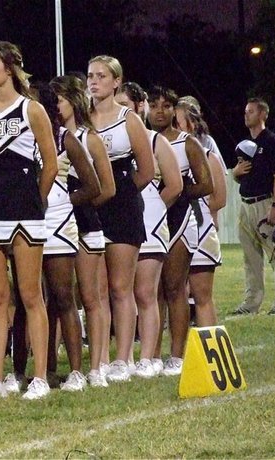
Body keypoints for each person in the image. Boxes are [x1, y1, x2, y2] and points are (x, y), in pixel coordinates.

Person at [0, 41, 58, 400]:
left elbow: (50, 163)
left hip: (24, 204)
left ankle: (38, 378)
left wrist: (35, 198)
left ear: (9, 68)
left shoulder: (31, 110)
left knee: (31, 293)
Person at [87, 55, 153, 383]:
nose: (94, 81)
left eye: (101, 76)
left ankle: (123, 358)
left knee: (120, 287)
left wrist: (123, 192)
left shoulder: (129, 119)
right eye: (90, 76)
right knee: (94, 289)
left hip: (123, 207)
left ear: (116, 82)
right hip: (91, 205)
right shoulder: (82, 119)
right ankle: (98, 358)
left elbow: (147, 169)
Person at [33, 82, 100, 392]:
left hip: (59, 224)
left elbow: (93, 186)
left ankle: (75, 371)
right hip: (28, 222)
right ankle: (41, 371)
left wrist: (62, 201)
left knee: (62, 297)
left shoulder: (66, 139)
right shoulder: (22, 139)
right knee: (31, 300)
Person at [52, 74, 115, 387]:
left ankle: (98, 365)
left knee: (92, 297)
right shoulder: (51, 136)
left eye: (60, 99)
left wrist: (72, 202)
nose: (56, 106)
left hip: (85, 224)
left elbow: (106, 188)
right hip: (58, 225)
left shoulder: (89, 138)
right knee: (63, 296)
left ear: (73, 100)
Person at [116, 82, 182, 378]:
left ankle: (149, 357)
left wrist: (152, 210)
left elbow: (175, 185)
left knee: (146, 291)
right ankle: (124, 357)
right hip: (121, 219)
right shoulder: (110, 140)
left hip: (149, 219)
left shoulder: (155, 140)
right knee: (121, 290)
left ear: (138, 107)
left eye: (125, 106)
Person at [147, 86, 213, 376]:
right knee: (153, 291)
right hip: (152, 218)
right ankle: (153, 355)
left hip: (181, 219)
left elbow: (207, 185)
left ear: (174, 110)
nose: (159, 111)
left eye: (165, 106)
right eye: (154, 105)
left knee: (174, 287)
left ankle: (177, 355)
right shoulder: (145, 140)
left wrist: (181, 191)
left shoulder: (187, 143)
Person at [176, 99, 227, 325]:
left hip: (201, 231)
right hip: (173, 231)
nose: (172, 129)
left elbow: (220, 199)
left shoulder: (208, 156)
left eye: (177, 123)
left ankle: (210, 353)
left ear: (192, 125)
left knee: (201, 296)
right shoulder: (161, 153)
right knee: (174, 295)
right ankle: (179, 356)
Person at [231, 97, 275, 315]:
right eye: (245, 111)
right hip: (246, 204)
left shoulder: (272, 141)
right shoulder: (246, 145)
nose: (246, 115)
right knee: (250, 257)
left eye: (250, 111)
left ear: (262, 114)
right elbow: (238, 175)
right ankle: (251, 303)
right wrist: (235, 173)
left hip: (264, 202)